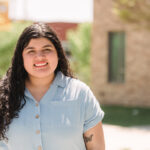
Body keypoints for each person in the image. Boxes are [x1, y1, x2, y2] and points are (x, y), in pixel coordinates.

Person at [0, 23, 105, 150]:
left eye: (47, 49)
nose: (39, 57)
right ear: (20, 57)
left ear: (58, 54)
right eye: (31, 51)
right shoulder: (3, 96)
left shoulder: (80, 94)